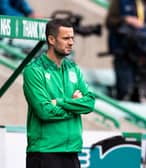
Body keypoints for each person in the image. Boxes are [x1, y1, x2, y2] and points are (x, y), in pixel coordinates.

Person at [23, 19, 95, 168]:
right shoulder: (34, 70)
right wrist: (75, 107)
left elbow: (90, 103)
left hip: (72, 153)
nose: (71, 42)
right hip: (45, 153)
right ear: (51, 39)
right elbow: (44, 111)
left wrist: (61, 102)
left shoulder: (73, 68)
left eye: (72, 38)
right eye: (66, 38)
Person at [105, 0, 146, 102]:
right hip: (123, 52)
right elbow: (109, 22)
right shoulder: (121, 2)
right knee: (124, 90)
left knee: (138, 95)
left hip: (143, 57)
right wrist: (126, 19)